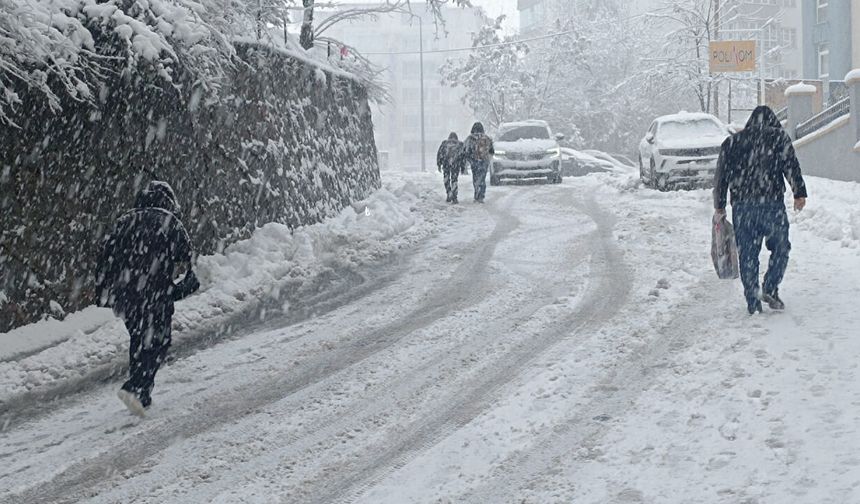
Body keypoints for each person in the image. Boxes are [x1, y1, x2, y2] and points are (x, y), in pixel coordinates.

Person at [96, 180, 200, 416]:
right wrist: (178, 290)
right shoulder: (170, 222)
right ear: (169, 202)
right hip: (155, 292)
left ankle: (140, 393)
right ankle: (136, 388)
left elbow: (104, 259)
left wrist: (107, 294)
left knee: (139, 338)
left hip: (125, 295)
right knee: (159, 342)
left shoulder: (122, 222)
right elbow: (190, 265)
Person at [713, 105, 807, 315]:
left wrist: (719, 205)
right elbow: (791, 166)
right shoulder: (778, 138)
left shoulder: (732, 143)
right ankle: (771, 287)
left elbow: (721, 178)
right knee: (781, 248)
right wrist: (799, 192)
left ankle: (753, 301)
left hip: (743, 207)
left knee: (748, 254)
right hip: (772, 205)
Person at [462, 122, 494, 203]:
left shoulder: (470, 138)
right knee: (482, 178)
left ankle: (477, 194)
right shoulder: (487, 138)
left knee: (475, 178)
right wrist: (486, 158)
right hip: (484, 162)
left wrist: (469, 160)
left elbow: (465, 151)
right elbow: (492, 151)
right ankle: (481, 196)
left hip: (474, 162)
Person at [436, 132, 465, 204]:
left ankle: (448, 193)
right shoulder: (460, 144)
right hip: (456, 164)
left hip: (446, 164)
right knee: (454, 180)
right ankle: (454, 196)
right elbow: (463, 156)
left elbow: (439, 153)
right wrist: (462, 167)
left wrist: (439, 164)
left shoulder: (444, 143)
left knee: (446, 179)